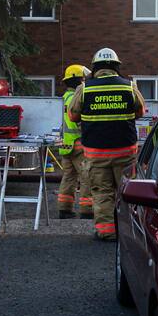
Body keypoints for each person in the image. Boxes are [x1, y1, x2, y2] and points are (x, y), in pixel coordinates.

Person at [67, 48, 145, 241]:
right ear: (117, 67)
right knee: (127, 191)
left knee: (102, 192)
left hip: (96, 153)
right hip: (125, 150)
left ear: (94, 68)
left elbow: (72, 115)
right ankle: (130, 234)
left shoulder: (85, 88)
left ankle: (107, 231)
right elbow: (141, 111)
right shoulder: (129, 86)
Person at [56, 64, 93, 220]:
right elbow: (78, 122)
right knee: (86, 176)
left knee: (68, 177)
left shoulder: (63, 98)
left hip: (65, 145)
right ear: (79, 80)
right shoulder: (77, 98)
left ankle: (64, 209)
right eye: (83, 78)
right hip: (78, 144)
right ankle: (87, 209)